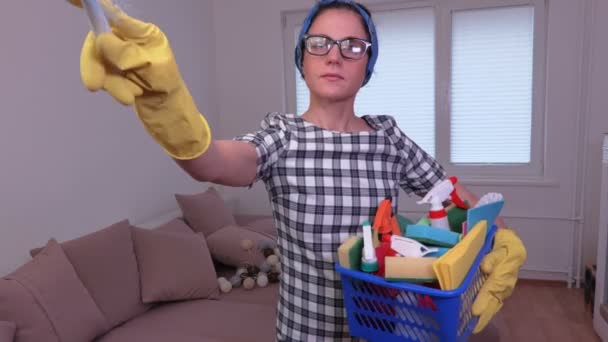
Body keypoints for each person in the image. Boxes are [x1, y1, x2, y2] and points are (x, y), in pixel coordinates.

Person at [64, 0, 527, 340]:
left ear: (368, 65)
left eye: (353, 45)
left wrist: (497, 232)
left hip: (383, 329)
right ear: (302, 59)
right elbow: (212, 163)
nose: (335, 54)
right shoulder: (282, 136)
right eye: (320, 43)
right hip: (305, 332)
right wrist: (165, 104)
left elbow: (450, 193)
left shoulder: (389, 137)